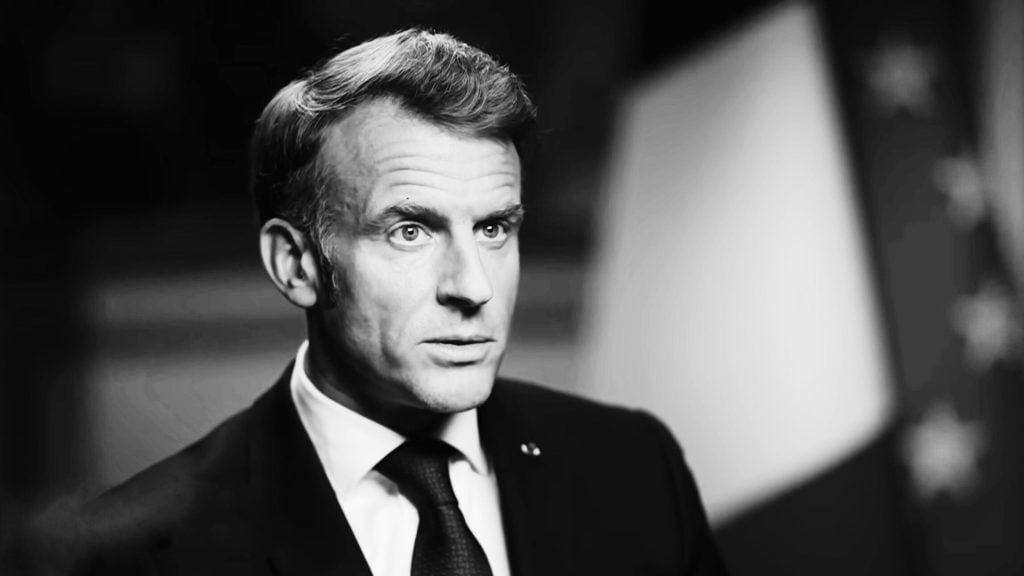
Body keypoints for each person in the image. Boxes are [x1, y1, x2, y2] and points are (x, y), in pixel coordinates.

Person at [3, 29, 728, 575]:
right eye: (410, 231)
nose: (473, 287)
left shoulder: (634, 468)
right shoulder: (127, 555)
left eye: (494, 228)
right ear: (296, 264)